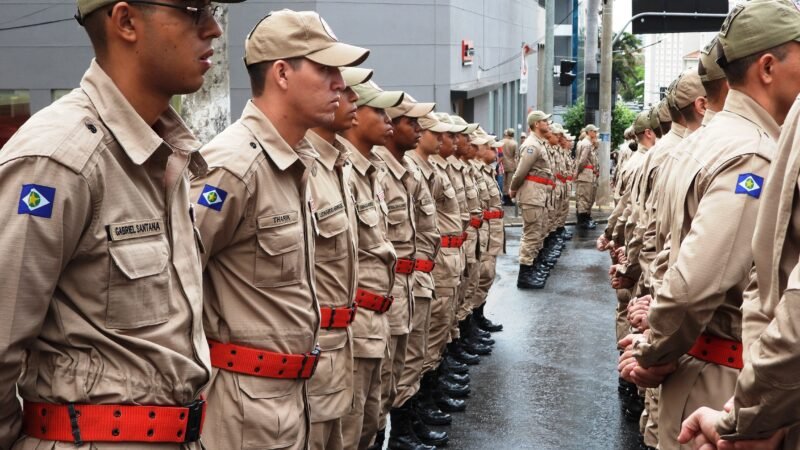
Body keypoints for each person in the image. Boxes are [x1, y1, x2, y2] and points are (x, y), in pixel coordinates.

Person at [0, 0, 241, 447]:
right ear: (126, 21)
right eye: (194, 11)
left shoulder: (163, 156)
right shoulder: (59, 160)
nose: (213, 30)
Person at [621, 2, 800, 449]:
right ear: (766, 66)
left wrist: (654, 335)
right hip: (724, 375)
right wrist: (654, 351)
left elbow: (666, 252)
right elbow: (695, 282)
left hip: (701, 363)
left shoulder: (702, 142)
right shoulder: (753, 154)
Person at [190, 10, 368, 449]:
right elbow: (174, 286)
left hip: (293, 398)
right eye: (325, 69)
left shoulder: (296, 161)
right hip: (242, 413)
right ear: (282, 73)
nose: (340, 84)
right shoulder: (232, 166)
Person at [304, 66, 373, 450]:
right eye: (348, 92)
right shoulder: (238, 164)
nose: (353, 102)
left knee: (365, 419)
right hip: (283, 371)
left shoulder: (338, 168)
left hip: (342, 340)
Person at [337, 78, 402, 450]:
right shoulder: (327, 170)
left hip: (373, 319)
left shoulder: (366, 169)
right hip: (346, 329)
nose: (387, 119)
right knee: (348, 430)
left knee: (371, 418)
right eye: (379, 110)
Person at [509, 111, 555, 290]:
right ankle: (525, 274)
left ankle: (532, 267)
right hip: (532, 194)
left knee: (537, 232)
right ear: (536, 124)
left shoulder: (538, 143)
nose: (548, 123)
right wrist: (513, 188)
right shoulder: (531, 145)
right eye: (545, 121)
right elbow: (521, 171)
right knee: (531, 234)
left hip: (538, 193)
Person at [574, 124, 599, 229]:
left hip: (587, 175)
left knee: (586, 197)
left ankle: (585, 219)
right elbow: (582, 160)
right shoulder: (587, 144)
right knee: (584, 198)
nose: (596, 133)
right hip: (585, 175)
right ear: (589, 132)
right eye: (594, 131)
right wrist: (578, 172)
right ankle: (582, 221)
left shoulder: (586, 143)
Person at [501, 128, 518, 205]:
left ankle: (504, 198)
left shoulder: (501, 142)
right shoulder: (514, 143)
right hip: (511, 164)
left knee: (503, 182)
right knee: (510, 182)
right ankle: (509, 199)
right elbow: (516, 155)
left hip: (502, 163)